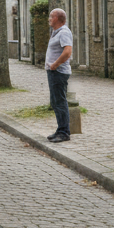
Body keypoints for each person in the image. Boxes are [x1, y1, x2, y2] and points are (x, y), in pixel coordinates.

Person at [45, 8, 73, 143]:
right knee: (55, 102)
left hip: (59, 72)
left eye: (51, 16)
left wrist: (55, 65)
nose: (49, 19)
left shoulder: (64, 32)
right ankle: (60, 129)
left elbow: (68, 51)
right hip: (54, 72)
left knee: (60, 102)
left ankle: (64, 132)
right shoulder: (56, 32)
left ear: (57, 18)